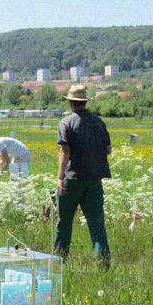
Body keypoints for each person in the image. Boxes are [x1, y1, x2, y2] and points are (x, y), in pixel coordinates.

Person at [54, 84, 111, 266]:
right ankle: (103, 264)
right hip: (94, 180)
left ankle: (59, 263)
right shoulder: (99, 122)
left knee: (64, 225)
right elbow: (108, 149)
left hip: (71, 180)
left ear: (71, 102)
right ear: (85, 102)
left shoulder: (66, 123)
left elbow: (65, 151)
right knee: (97, 225)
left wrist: (59, 177)